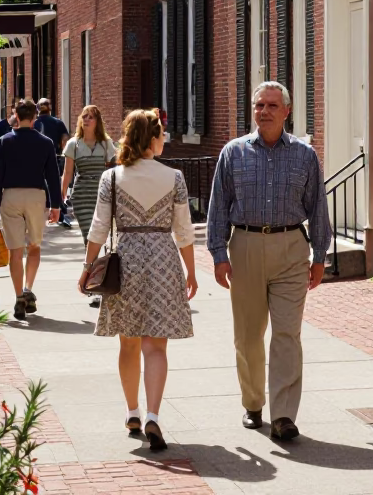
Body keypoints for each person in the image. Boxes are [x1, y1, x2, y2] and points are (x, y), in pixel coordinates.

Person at [206, 82, 331, 442]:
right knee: (247, 337)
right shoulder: (233, 153)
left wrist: (320, 255)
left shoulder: (305, 155)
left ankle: (284, 416)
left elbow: (318, 208)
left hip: (291, 248)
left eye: (272, 105)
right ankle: (253, 403)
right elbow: (218, 208)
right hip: (244, 246)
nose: (264, 111)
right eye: (259, 104)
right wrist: (218, 254)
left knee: (287, 334)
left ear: (287, 111)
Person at [78, 109, 198, 452]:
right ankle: (154, 416)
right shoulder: (173, 177)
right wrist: (191, 271)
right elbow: (184, 230)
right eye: (162, 135)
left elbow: (99, 227)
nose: (164, 141)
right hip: (162, 257)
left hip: (126, 258)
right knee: (156, 345)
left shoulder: (112, 178)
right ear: (152, 139)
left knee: (127, 342)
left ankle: (132, 411)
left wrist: (88, 267)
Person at [0, 99, 63, 320]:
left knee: (15, 251)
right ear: (35, 117)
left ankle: (19, 295)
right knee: (34, 246)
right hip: (36, 197)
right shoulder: (46, 142)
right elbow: (52, 177)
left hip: (10, 196)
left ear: (16, 117)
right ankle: (29, 289)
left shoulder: (4, 142)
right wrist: (56, 205)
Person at [61, 105, 119, 308]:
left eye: (91, 117)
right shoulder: (73, 145)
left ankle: (99, 280)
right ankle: (95, 286)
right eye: (84, 116)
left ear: (97, 121)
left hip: (102, 194)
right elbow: (67, 174)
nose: (86, 120)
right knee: (90, 237)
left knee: (102, 238)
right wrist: (61, 198)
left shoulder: (106, 144)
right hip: (82, 194)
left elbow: (117, 168)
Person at [33, 98, 73, 228]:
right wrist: (65, 153)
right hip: (54, 157)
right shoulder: (58, 123)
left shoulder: (34, 123)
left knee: (40, 186)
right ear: (50, 108)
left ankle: (42, 211)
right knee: (54, 185)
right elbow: (65, 140)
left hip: (37, 160)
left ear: (37, 109)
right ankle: (60, 213)